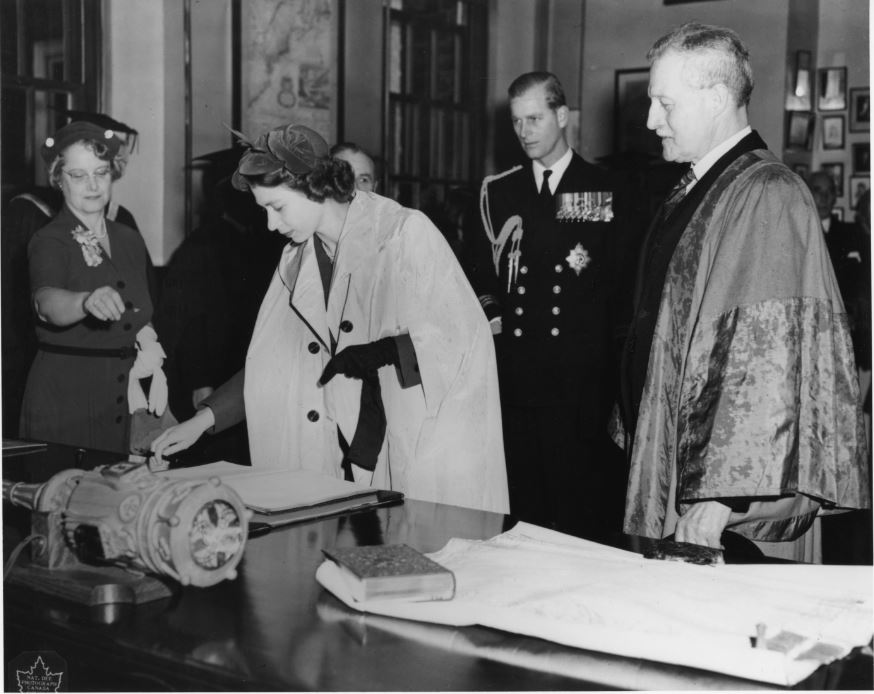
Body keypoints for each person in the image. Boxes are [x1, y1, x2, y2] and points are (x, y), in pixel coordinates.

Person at [152, 123, 508, 514]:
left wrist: (385, 351)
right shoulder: (296, 259)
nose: (271, 225)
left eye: (277, 207)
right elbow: (273, 364)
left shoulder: (404, 233)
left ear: (311, 187)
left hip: (411, 445)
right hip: (332, 456)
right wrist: (203, 420)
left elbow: (462, 340)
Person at [618, 22, 869, 561]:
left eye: (664, 103)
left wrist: (728, 497)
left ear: (714, 99)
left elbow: (765, 359)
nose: (650, 120)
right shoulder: (704, 182)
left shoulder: (768, 192)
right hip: (687, 473)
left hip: (727, 509)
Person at [469, 71, 637, 537]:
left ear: (562, 116)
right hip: (518, 374)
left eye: (535, 118)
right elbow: (481, 275)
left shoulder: (602, 187)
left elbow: (616, 283)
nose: (524, 132)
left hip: (580, 380)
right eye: (517, 121)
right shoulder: (498, 191)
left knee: (579, 509)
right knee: (523, 506)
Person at [19, 121, 166, 454]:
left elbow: (143, 312)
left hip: (122, 396)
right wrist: (85, 302)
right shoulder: (49, 239)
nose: (92, 185)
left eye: (101, 173)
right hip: (66, 398)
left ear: (113, 174)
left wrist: (153, 364)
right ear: (58, 178)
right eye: (78, 175)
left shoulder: (127, 238)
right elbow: (45, 303)